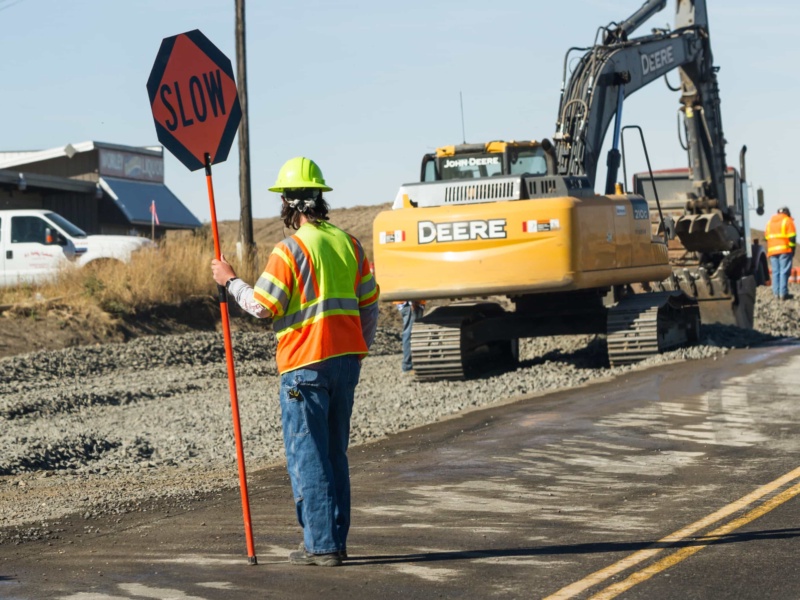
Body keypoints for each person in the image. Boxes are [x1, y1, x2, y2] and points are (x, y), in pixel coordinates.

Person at [211, 156, 379, 567]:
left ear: (287, 202)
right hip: (345, 363)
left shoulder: (289, 250)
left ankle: (321, 546)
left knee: (309, 455)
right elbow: (370, 304)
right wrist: (359, 350)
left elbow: (263, 306)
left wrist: (230, 281)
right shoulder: (350, 244)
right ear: (319, 198)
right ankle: (334, 541)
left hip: (305, 366)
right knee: (335, 455)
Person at [765, 206, 796, 301]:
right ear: (787, 213)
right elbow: (792, 237)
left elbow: (766, 237)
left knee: (775, 272)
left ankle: (776, 294)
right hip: (784, 250)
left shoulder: (770, 222)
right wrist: (792, 249)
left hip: (772, 251)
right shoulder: (788, 221)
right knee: (784, 271)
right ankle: (783, 294)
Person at [396, 300, 425, 373]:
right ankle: (407, 366)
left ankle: (413, 364)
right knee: (410, 333)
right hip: (411, 305)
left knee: (412, 333)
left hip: (413, 304)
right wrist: (412, 302)